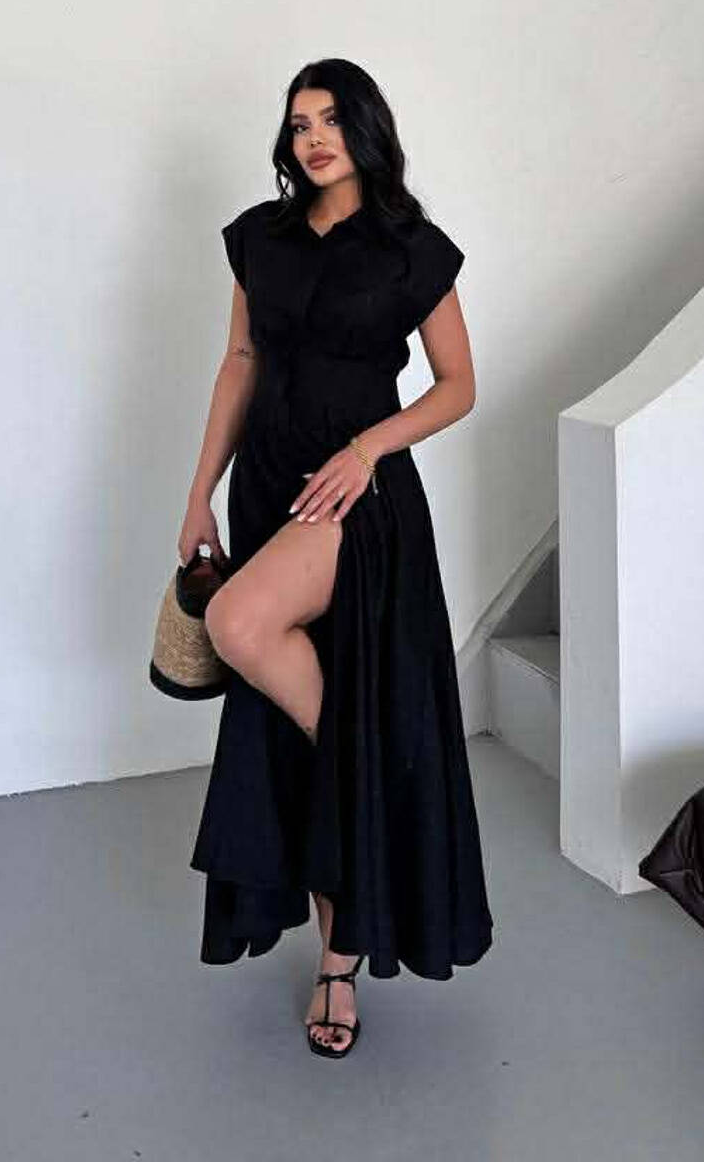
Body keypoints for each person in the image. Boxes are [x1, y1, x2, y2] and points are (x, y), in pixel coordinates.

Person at [179, 57, 494, 1059]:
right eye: (298, 122)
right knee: (296, 738)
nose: (312, 137)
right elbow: (240, 363)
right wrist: (198, 492)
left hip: (354, 500)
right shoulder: (258, 239)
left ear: (365, 129)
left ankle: (360, 826)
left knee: (239, 623)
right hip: (266, 486)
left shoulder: (412, 248)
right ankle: (336, 961)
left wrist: (367, 450)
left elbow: (457, 385)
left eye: (329, 119)